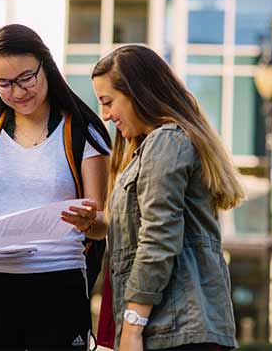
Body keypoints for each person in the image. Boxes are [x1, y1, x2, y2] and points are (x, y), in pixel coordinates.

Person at [0, 24, 112, 351]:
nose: (17, 92)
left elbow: (101, 223)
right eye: (4, 83)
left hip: (59, 286)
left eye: (26, 78)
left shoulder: (83, 131)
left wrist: (90, 222)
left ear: (46, 65)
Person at [92, 45, 244, 351]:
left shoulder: (166, 141)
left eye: (108, 102)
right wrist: (99, 225)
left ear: (138, 93)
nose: (106, 115)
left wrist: (133, 325)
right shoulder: (156, 146)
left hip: (174, 329)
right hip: (179, 328)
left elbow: (159, 235)